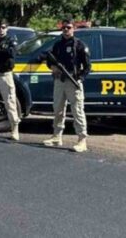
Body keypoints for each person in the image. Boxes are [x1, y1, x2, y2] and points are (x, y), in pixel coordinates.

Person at [42, 18, 91, 152]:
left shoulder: (79, 45)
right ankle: (57, 136)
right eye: (63, 28)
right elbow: (49, 60)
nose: (66, 30)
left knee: (77, 111)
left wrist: (80, 79)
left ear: (73, 28)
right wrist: (53, 67)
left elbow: (87, 67)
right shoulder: (58, 45)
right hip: (59, 80)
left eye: (68, 27)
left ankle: (82, 140)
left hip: (73, 81)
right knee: (58, 109)